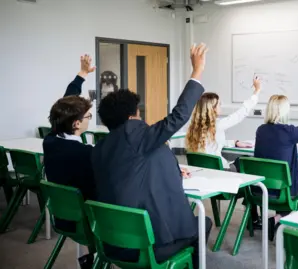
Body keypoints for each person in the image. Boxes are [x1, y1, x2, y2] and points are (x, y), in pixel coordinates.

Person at [91, 44, 210, 269]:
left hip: (111, 239)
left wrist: (175, 170)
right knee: (203, 223)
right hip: (145, 245)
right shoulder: (135, 135)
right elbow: (178, 117)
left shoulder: (102, 146)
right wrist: (197, 71)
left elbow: (133, 169)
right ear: (133, 114)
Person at [252, 84, 298, 241]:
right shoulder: (289, 132)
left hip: (259, 190)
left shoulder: (261, 130)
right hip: (281, 193)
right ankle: (277, 219)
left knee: (285, 184)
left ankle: (273, 220)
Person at [43, 54, 97, 269]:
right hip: (87, 222)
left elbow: (64, 104)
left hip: (63, 217)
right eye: (87, 117)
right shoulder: (83, 153)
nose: (88, 120)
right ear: (76, 123)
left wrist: (82, 74)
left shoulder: (50, 140)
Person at [185, 76, 261, 170]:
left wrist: (235, 142)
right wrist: (257, 91)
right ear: (212, 109)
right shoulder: (218, 125)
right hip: (219, 171)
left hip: (201, 170)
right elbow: (240, 114)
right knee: (244, 160)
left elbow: (212, 143)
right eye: (219, 104)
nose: (221, 107)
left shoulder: (194, 127)